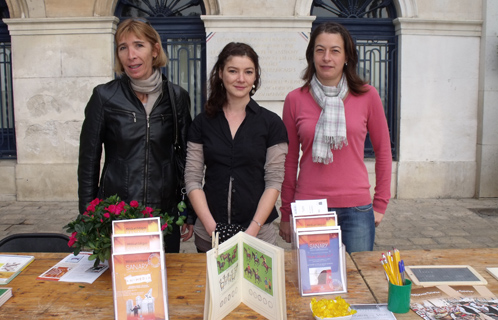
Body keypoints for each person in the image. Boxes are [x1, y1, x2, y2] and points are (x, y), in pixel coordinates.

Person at [78, 18, 194, 253]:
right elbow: (89, 160)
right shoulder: (104, 96)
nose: (131, 55)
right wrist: (88, 215)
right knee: (124, 281)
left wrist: (188, 211)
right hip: (118, 209)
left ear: (155, 50)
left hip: (164, 211)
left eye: (138, 45)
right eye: (123, 47)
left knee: (164, 279)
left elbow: (187, 157)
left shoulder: (176, 97)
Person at [279, 22, 392, 253]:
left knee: (358, 281)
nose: (326, 57)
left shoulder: (367, 96)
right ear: (311, 55)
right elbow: (289, 161)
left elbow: (383, 151)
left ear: (347, 56)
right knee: (315, 285)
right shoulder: (295, 99)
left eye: (335, 50)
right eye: (320, 50)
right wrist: (286, 211)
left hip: (356, 209)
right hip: (310, 208)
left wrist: (380, 202)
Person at [184, 42, 288, 252]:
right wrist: (214, 229)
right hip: (209, 234)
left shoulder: (272, 123)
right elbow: (193, 178)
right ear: (221, 73)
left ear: (255, 77)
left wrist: (252, 230)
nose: (241, 79)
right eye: (233, 71)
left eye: (248, 72)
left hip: (259, 234)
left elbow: (274, 181)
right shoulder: (202, 123)